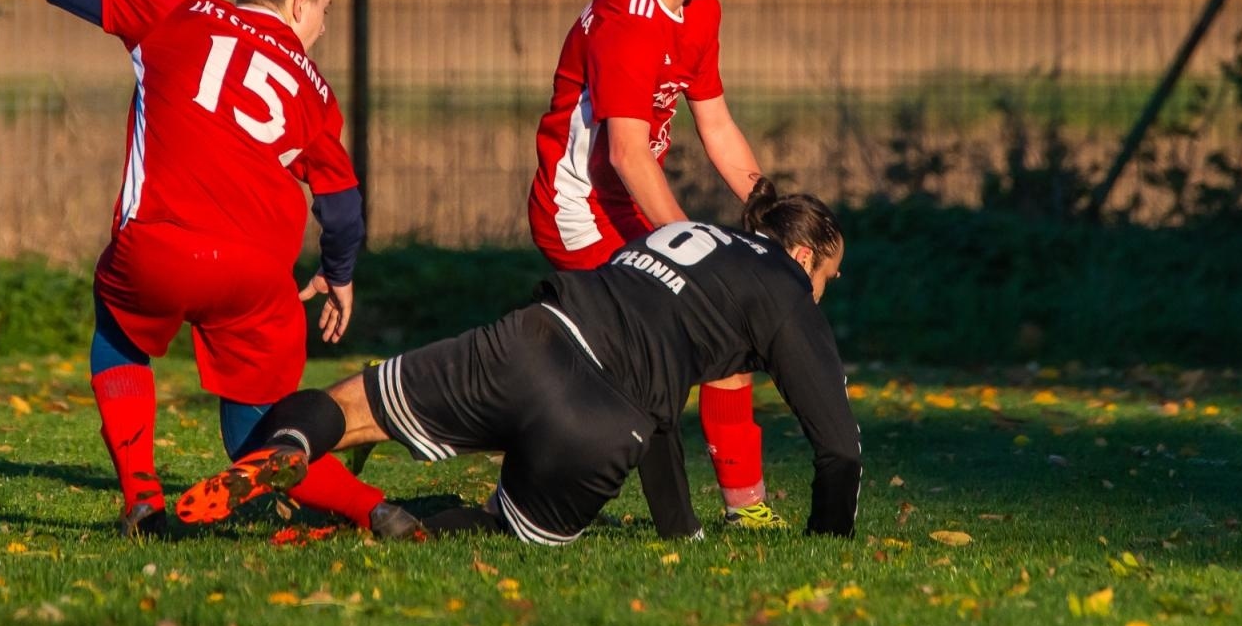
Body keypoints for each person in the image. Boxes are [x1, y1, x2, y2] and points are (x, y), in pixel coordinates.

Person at [175, 181, 862, 545]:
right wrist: (828, 546)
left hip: (533, 338)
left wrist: (681, 528)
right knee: (502, 528)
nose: (821, 295)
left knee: (353, 407)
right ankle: (402, 528)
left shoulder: (684, 234)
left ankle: (293, 448)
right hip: (602, 421)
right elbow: (839, 448)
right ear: (803, 256)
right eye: (826, 279)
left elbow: (659, 395)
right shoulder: (785, 287)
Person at [39, 0, 415, 539]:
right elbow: (343, 207)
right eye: (324, 11)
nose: (322, 27)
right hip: (257, 278)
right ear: (300, 2)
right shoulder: (314, 92)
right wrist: (338, 273)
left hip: (159, 248)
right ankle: (374, 509)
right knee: (257, 431)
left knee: (118, 335)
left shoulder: (180, 12)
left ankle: (142, 499)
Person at [528, 0, 782, 528]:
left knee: (724, 334)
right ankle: (470, 418)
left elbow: (716, 124)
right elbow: (626, 153)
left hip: (628, 205)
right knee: (647, 357)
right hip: (578, 211)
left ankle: (747, 508)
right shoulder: (627, 19)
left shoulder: (702, 12)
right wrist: (692, 250)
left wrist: (769, 208)